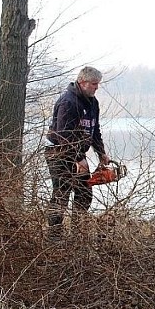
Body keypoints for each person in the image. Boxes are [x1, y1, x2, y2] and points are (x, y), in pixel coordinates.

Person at [44, 66, 111, 240]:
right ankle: (54, 236)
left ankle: (77, 233)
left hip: (77, 153)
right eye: (94, 84)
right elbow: (63, 135)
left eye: (98, 84)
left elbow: (94, 130)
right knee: (61, 193)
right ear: (82, 82)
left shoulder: (92, 102)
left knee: (84, 193)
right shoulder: (68, 102)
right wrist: (79, 159)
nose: (96, 87)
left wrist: (101, 153)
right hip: (58, 152)